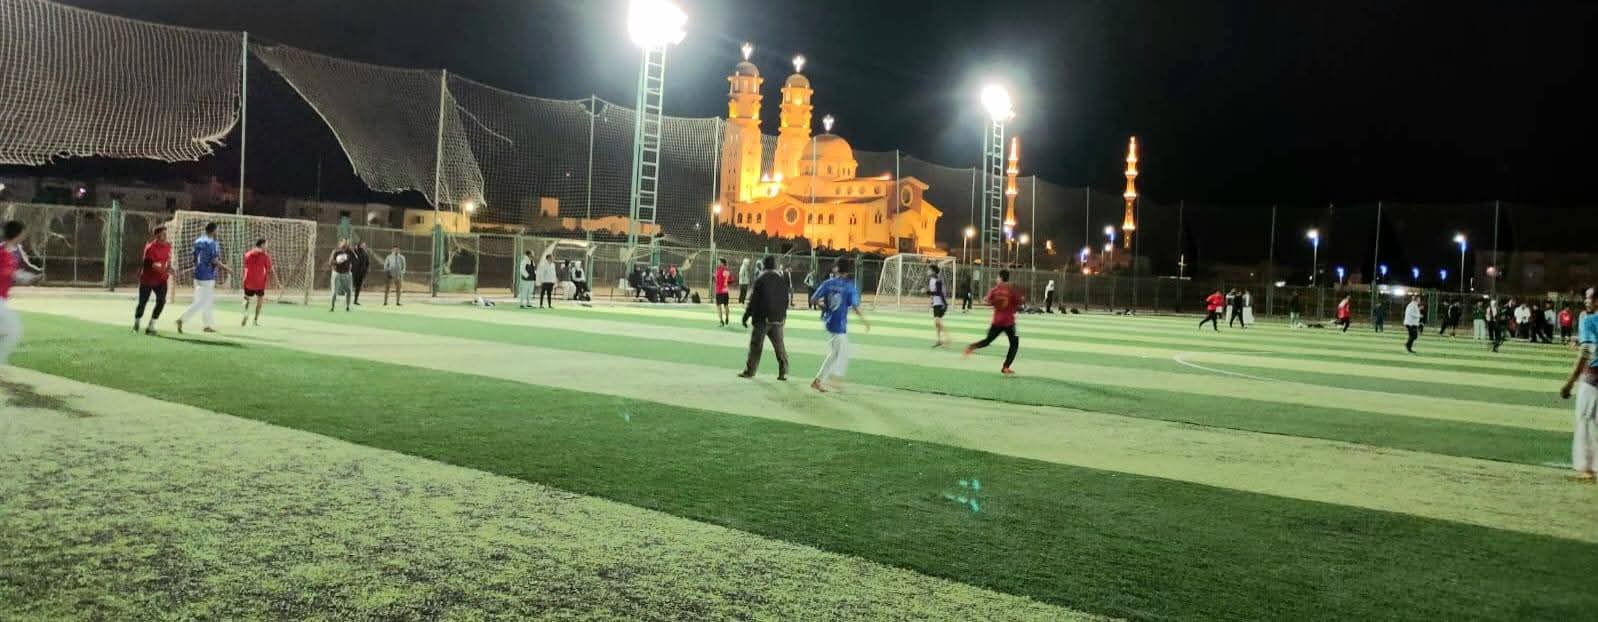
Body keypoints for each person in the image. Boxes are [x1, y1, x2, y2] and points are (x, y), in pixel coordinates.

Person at [809, 259, 868, 393]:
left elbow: (813, 299)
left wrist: (825, 308)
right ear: (848, 271)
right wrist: (865, 321)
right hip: (839, 324)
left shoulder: (828, 283)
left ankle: (819, 381)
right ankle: (835, 378)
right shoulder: (849, 287)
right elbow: (855, 307)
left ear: (836, 269)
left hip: (829, 322)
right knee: (843, 352)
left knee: (836, 353)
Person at [1559, 286, 1598, 482]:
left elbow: (1585, 353)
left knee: (1585, 421)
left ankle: (1587, 468)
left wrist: (1569, 382)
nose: (1586, 301)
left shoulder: (1589, 320)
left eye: (1589, 298)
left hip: (1592, 379)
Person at [738, 256, 790, 381]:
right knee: (780, 347)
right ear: (775, 266)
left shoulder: (761, 279)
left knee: (756, 346)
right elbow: (786, 299)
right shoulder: (781, 279)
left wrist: (746, 315)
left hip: (762, 319)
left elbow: (753, 300)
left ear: (764, 265)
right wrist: (783, 315)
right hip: (778, 319)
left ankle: (750, 371)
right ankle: (783, 371)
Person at [964, 269, 1023, 375]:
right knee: (1014, 344)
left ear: (1000, 278)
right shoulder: (1011, 290)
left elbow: (987, 301)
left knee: (987, 341)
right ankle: (1006, 367)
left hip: (997, 321)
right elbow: (1018, 302)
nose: (996, 279)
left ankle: (972, 347)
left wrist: (992, 302)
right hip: (1009, 322)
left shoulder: (995, 290)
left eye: (997, 277)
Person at [176, 222, 230, 334]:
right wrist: (227, 269)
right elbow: (214, 260)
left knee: (207, 301)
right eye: (217, 229)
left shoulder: (198, 241)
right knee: (202, 301)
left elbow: (194, 258)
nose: (218, 231)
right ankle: (182, 319)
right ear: (214, 230)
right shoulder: (212, 243)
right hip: (207, 276)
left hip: (198, 274)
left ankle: (207, 325)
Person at [1, 221, 40, 365]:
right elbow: (12, 274)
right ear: (17, 234)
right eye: (23, 233)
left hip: (2, 299)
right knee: (13, 330)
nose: (24, 235)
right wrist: (31, 278)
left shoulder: (10, 252)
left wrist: (30, 278)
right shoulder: (4, 253)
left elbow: (14, 274)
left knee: (9, 330)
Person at [133, 226, 171, 335]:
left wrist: (170, 269)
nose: (165, 235)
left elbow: (167, 261)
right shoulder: (150, 247)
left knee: (161, 301)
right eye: (163, 234)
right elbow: (147, 264)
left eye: (166, 233)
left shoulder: (168, 246)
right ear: (157, 235)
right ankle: (137, 322)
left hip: (161, 279)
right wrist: (157, 267)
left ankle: (151, 326)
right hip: (147, 280)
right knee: (142, 303)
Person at [240, 238, 272, 327]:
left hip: (248, 281)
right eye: (266, 244)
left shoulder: (247, 254)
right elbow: (269, 268)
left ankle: (245, 313)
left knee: (246, 298)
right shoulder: (265, 256)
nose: (267, 246)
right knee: (260, 300)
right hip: (259, 282)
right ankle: (255, 320)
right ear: (262, 245)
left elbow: (245, 267)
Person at [328, 240, 355, 312]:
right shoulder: (335, 251)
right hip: (337, 273)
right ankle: (332, 307)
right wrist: (338, 261)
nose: (345, 244)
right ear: (339, 244)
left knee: (349, 291)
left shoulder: (350, 252)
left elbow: (355, 259)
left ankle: (347, 307)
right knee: (334, 291)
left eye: (346, 243)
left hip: (346, 274)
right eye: (343, 242)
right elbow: (330, 263)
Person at [928, 264, 950, 347]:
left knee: (938, 321)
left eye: (929, 270)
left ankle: (947, 338)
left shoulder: (938, 281)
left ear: (933, 271)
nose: (928, 271)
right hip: (936, 303)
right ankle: (939, 340)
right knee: (937, 323)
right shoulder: (931, 280)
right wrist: (932, 302)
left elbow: (939, 293)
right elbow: (933, 293)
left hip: (940, 303)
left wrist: (945, 304)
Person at [713, 258, 732, 326]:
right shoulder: (727, 270)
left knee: (718, 306)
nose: (718, 263)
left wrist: (715, 276)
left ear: (722, 263)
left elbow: (718, 281)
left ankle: (721, 321)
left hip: (719, 291)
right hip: (725, 291)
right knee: (726, 305)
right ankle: (727, 317)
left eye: (719, 262)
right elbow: (730, 280)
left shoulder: (719, 271)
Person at [350, 241, 370, 305]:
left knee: (358, 287)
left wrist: (366, 270)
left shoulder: (366, 254)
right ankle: (347, 299)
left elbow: (367, 263)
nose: (364, 246)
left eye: (364, 245)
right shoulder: (355, 252)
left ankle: (355, 300)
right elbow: (352, 251)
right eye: (362, 245)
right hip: (354, 273)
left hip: (361, 274)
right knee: (350, 286)